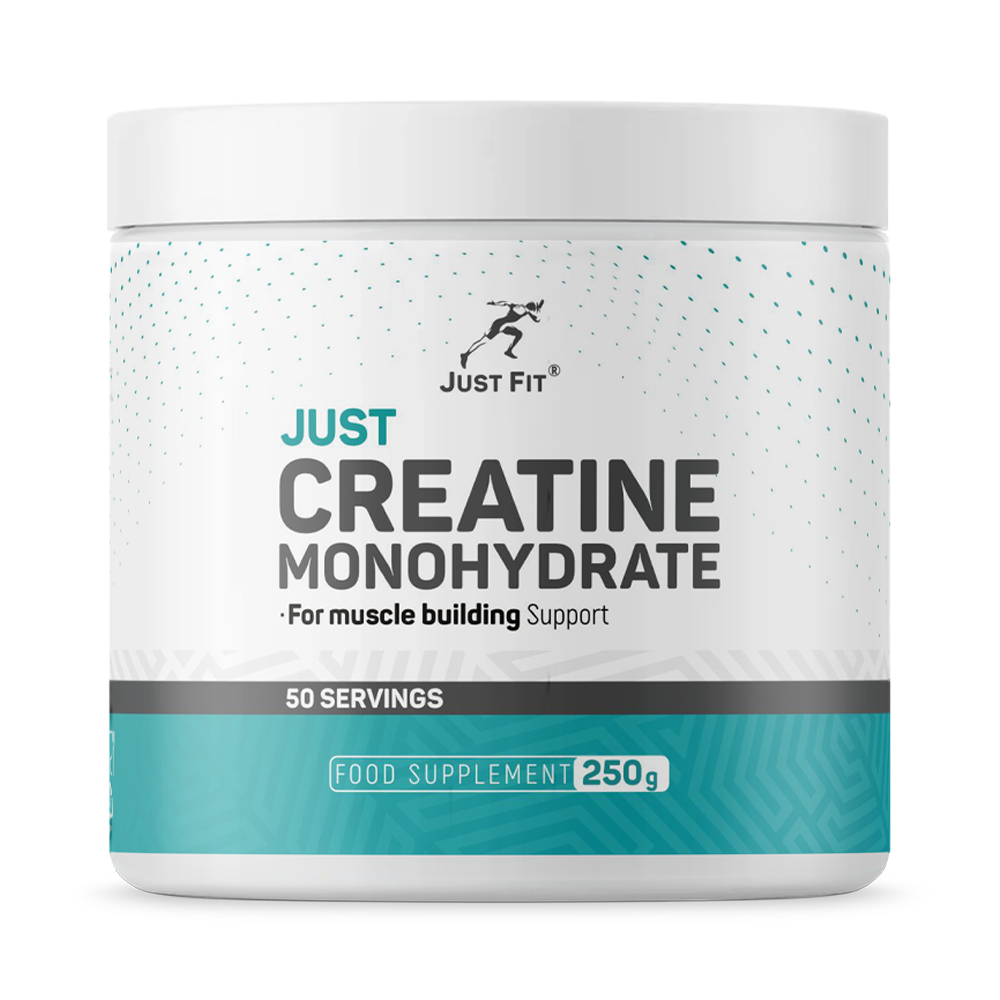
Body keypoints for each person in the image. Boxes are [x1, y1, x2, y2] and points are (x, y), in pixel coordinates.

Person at [460, 300, 543, 369]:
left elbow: (507, 304)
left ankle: (508, 351)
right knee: (483, 341)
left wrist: (495, 303)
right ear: (530, 308)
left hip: (505, 326)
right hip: (499, 325)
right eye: (533, 310)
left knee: (519, 334)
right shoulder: (522, 308)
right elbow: (508, 304)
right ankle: (465, 354)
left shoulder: (524, 309)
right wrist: (495, 303)